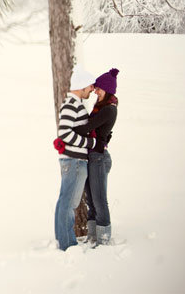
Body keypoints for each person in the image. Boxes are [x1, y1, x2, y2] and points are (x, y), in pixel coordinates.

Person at [53, 66, 105, 251]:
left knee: (67, 201)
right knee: (68, 202)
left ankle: (63, 241)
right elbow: (64, 134)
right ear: (82, 86)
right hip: (74, 162)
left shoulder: (75, 105)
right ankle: (67, 244)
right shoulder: (71, 105)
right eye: (90, 86)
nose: (92, 90)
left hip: (75, 161)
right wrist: (89, 143)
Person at [74, 68, 119, 245]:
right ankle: (93, 237)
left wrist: (70, 129)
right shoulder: (100, 107)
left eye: (99, 88)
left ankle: (104, 238)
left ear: (107, 90)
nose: (95, 91)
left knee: (99, 200)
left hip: (99, 158)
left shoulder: (108, 109)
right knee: (91, 200)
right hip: (92, 156)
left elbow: (87, 127)